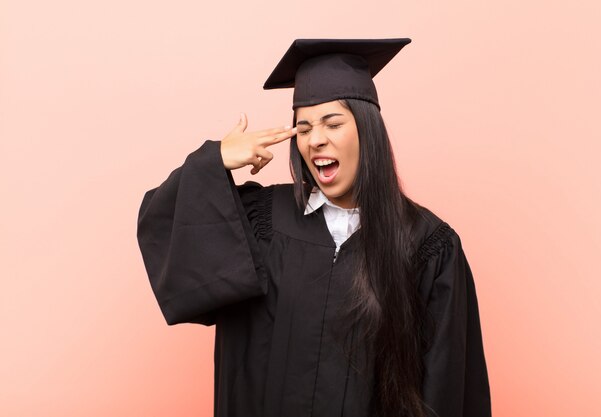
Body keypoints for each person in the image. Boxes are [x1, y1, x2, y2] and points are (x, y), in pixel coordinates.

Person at [137, 38, 491, 417]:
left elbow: (448, 385)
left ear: (367, 130)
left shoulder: (427, 247)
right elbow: (166, 227)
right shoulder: (261, 222)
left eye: (332, 123)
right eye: (303, 127)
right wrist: (215, 161)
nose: (316, 138)